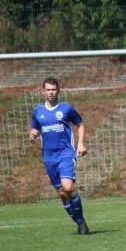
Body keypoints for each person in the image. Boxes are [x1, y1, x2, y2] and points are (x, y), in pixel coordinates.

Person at [30, 77, 89, 234]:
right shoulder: (38, 111)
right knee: (62, 193)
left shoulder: (66, 108)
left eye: (53, 89)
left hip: (65, 153)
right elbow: (34, 128)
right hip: (48, 157)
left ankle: (81, 222)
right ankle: (80, 222)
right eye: (48, 89)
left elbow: (81, 125)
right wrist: (33, 133)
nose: (51, 92)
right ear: (43, 91)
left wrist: (81, 144)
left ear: (58, 90)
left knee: (68, 187)